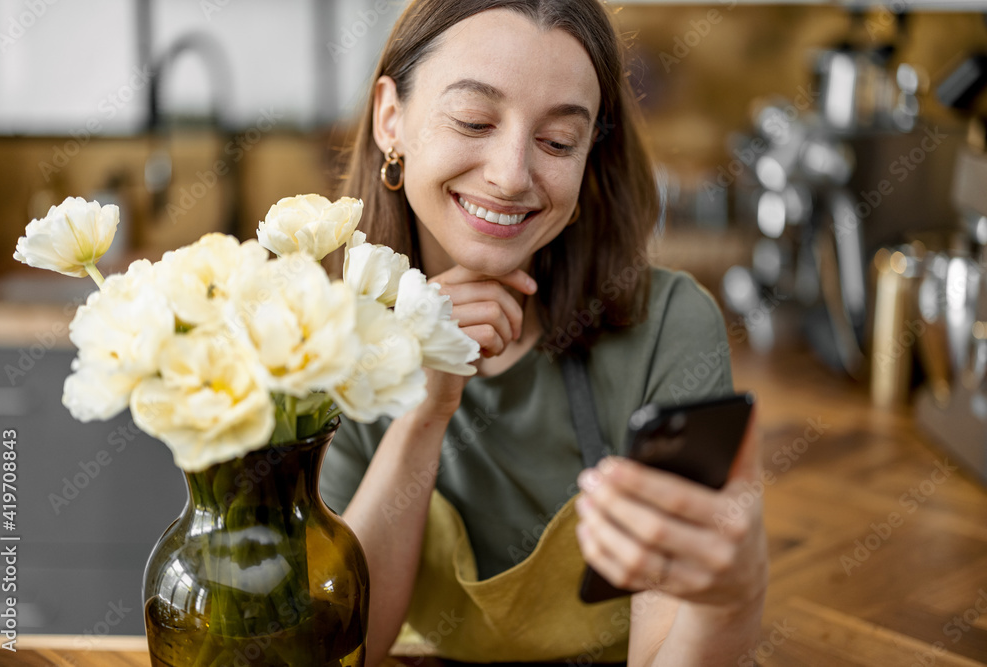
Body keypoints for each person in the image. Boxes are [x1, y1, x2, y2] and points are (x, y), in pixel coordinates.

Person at [319, 1, 769, 665]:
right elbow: (346, 646)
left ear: (589, 157)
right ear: (393, 119)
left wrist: (730, 597)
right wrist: (423, 412)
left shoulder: (671, 329)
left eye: (558, 141)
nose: (510, 174)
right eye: (474, 119)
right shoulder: (328, 336)